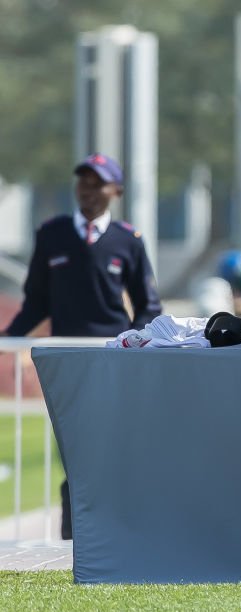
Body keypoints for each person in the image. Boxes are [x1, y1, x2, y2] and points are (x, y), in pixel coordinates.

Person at [2, 152, 163, 540]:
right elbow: (36, 303)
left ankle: (122, 534)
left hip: (114, 362)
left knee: (114, 450)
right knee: (74, 453)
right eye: (83, 182)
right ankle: (73, 542)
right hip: (66, 361)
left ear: (117, 191)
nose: (88, 191)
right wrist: (7, 339)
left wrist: (135, 343)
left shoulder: (129, 241)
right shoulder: (51, 235)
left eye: (98, 183)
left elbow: (148, 306)